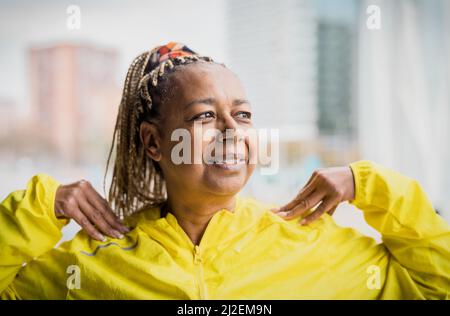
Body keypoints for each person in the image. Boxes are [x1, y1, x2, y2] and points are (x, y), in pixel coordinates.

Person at [0, 42, 449, 299]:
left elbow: (438, 285)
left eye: (244, 114)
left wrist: (369, 186)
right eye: (204, 117)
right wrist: (42, 206)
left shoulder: (309, 240)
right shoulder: (94, 263)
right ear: (154, 142)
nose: (233, 130)